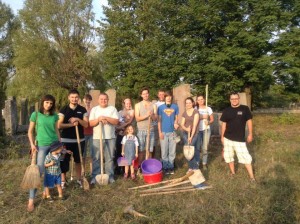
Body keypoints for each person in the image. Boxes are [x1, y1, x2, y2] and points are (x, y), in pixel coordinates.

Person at [27, 94, 60, 212]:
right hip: (41, 146)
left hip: (54, 146)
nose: (49, 105)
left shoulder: (54, 116)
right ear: (43, 103)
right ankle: (31, 200)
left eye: (51, 103)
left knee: (51, 170)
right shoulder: (35, 115)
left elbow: (56, 130)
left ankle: (46, 193)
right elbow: (30, 132)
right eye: (47, 102)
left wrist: (60, 144)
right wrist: (32, 144)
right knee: (38, 172)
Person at [220, 92, 255, 181]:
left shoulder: (245, 109)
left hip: (239, 139)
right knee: (229, 156)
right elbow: (224, 124)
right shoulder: (226, 110)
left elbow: (249, 121)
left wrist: (250, 134)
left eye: (236, 98)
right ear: (230, 100)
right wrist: (222, 137)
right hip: (227, 138)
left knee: (246, 157)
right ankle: (233, 172)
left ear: (239, 99)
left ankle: (252, 177)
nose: (234, 100)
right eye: (232, 99)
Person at [58, 89, 88, 189]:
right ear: (69, 98)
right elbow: (59, 125)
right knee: (63, 160)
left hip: (79, 141)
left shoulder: (83, 110)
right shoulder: (64, 109)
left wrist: (78, 120)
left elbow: (86, 124)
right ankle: (63, 180)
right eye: (72, 97)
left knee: (78, 160)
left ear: (78, 98)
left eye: (76, 97)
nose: (74, 99)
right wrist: (71, 124)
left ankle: (79, 179)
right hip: (65, 140)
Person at [89, 93, 119, 184]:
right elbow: (91, 123)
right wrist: (99, 119)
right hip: (97, 138)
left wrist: (105, 118)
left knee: (109, 157)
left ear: (108, 99)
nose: (103, 101)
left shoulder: (112, 109)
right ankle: (95, 176)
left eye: (105, 99)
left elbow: (116, 121)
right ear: (98, 100)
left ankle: (110, 176)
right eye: (101, 99)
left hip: (110, 137)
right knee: (96, 157)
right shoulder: (94, 109)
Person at [158, 91, 179, 174]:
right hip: (163, 132)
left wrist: (176, 123)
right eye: (167, 96)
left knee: (172, 151)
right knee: (164, 151)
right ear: (164, 97)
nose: (168, 98)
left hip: (172, 132)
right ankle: (165, 167)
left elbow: (176, 118)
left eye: (170, 96)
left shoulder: (175, 107)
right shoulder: (161, 107)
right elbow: (159, 120)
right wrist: (160, 132)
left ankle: (171, 167)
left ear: (171, 97)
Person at [135, 87, 157, 165]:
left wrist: (152, 115)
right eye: (143, 94)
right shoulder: (137, 105)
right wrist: (146, 115)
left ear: (148, 94)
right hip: (141, 130)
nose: (145, 95)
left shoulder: (153, 105)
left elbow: (155, 118)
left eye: (147, 93)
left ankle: (149, 166)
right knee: (141, 150)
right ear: (141, 95)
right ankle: (140, 167)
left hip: (150, 130)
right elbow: (137, 118)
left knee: (150, 150)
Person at [115, 98, 135, 175]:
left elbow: (129, 121)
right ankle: (119, 167)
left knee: (127, 152)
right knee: (119, 152)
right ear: (124, 104)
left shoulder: (132, 111)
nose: (128, 105)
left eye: (129, 103)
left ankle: (125, 170)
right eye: (127, 103)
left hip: (128, 136)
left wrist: (121, 127)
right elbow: (117, 123)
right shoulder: (119, 112)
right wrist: (120, 127)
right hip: (120, 135)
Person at [180, 97, 200, 172]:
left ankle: (195, 168)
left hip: (194, 133)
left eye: (189, 102)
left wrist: (191, 136)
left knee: (190, 147)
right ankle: (191, 167)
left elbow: (194, 125)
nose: (188, 104)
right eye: (186, 103)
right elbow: (182, 124)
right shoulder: (184, 113)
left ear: (193, 103)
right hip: (185, 133)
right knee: (187, 149)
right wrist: (186, 129)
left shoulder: (196, 112)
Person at [195, 94, 214, 170]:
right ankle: (197, 163)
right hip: (197, 130)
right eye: (198, 100)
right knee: (197, 147)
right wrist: (202, 117)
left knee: (205, 147)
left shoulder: (208, 108)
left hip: (206, 130)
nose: (200, 101)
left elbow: (212, 119)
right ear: (197, 101)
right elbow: (194, 118)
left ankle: (204, 163)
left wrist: (208, 122)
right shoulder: (195, 108)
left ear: (204, 99)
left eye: (201, 99)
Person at [82, 94, 93, 174]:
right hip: (83, 133)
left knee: (92, 153)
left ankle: (92, 171)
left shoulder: (93, 110)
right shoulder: (81, 109)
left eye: (89, 100)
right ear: (83, 100)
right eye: (86, 99)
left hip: (92, 133)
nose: (87, 101)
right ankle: (83, 171)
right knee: (83, 153)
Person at [153, 90, 165, 160]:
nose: (161, 96)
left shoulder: (167, 104)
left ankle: (162, 158)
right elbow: (154, 115)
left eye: (163, 94)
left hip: (164, 126)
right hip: (156, 125)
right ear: (158, 95)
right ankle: (153, 158)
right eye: (160, 94)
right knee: (154, 142)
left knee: (162, 143)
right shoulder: (155, 104)